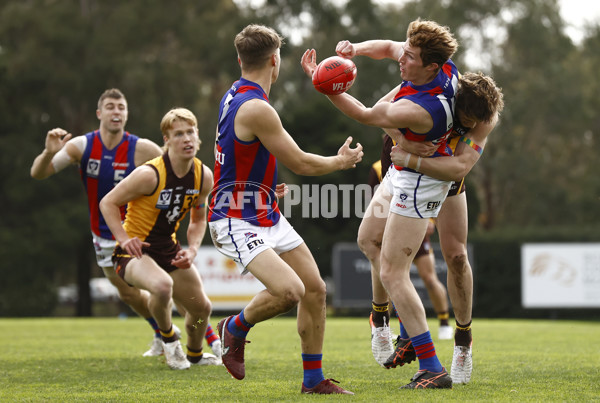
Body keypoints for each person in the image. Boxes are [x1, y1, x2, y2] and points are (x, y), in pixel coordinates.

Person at [302, 19, 459, 389]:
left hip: (418, 184)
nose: (401, 59)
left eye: (411, 57)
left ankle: (432, 366)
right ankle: (395, 321)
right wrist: (354, 49)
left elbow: (365, 115)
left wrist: (321, 81)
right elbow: (389, 47)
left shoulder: (421, 109)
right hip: (400, 172)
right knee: (367, 239)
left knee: (392, 272)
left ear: (431, 67)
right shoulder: (441, 66)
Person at [209, 24, 362, 394]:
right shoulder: (257, 107)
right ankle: (234, 327)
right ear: (275, 61)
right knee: (289, 291)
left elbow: (236, 154)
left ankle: (313, 380)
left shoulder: (234, 94)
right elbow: (302, 164)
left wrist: (260, 186)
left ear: (241, 59)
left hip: (260, 209)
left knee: (314, 289)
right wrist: (341, 162)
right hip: (234, 218)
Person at [30, 89, 221, 359]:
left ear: (127, 114)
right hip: (107, 237)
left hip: (147, 237)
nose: (116, 111)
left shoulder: (143, 149)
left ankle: (199, 340)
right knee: (131, 296)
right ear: (100, 113)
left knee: (178, 293)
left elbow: (174, 171)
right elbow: (39, 173)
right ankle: (163, 333)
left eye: (121, 107)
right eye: (110, 106)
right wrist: (49, 154)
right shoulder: (83, 146)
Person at [389, 72, 504, 384]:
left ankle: (463, 339)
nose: (468, 127)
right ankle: (387, 324)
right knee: (378, 247)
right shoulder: (439, 92)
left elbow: (459, 167)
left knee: (456, 256)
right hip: (408, 176)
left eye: (474, 123)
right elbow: (381, 112)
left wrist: (411, 157)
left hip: (446, 179)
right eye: (464, 120)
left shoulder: (485, 117)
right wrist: (401, 142)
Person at [99, 107, 220, 370]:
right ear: (166, 140)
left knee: (201, 311)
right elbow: (107, 202)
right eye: (178, 134)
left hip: (168, 249)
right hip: (134, 252)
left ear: (198, 135)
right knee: (163, 286)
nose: (186, 139)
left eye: (190, 132)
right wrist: (122, 238)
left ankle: (195, 354)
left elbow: (198, 220)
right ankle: (169, 341)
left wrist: (193, 250)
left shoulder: (203, 176)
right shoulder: (149, 174)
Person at [367, 157, 452, 368]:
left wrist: (431, 219)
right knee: (376, 252)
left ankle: (443, 323)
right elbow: (374, 201)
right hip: (390, 222)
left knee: (428, 278)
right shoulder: (378, 168)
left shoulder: (421, 147)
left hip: (412, 218)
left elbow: (430, 183)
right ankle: (384, 320)